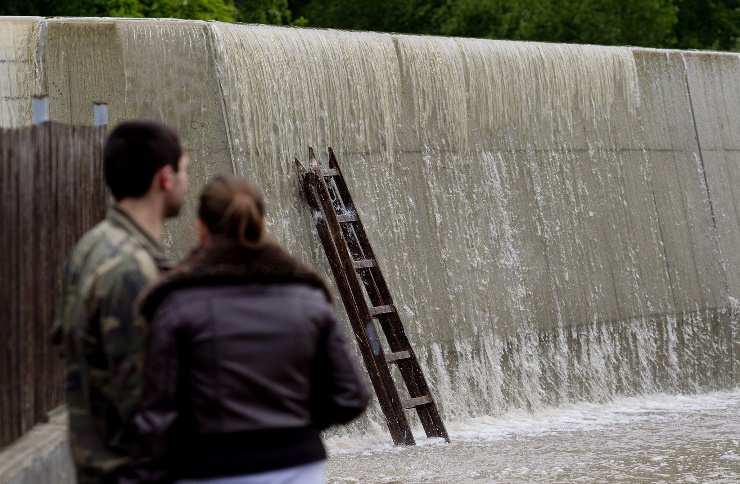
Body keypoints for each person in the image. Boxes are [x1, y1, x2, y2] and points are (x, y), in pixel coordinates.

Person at [134, 175, 370, 483]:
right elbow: (351, 397)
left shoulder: (177, 305)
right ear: (262, 223)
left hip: (211, 469)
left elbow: (156, 413)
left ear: (201, 228)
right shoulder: (308, 299)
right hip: (300, 467)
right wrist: (296, 427)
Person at [53, 120, 189, 484]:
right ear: (165, 178)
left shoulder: (90, 247)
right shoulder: (133, 271)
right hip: (132, 471)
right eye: (184, 171)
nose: (186, 182)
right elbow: (146, 402)